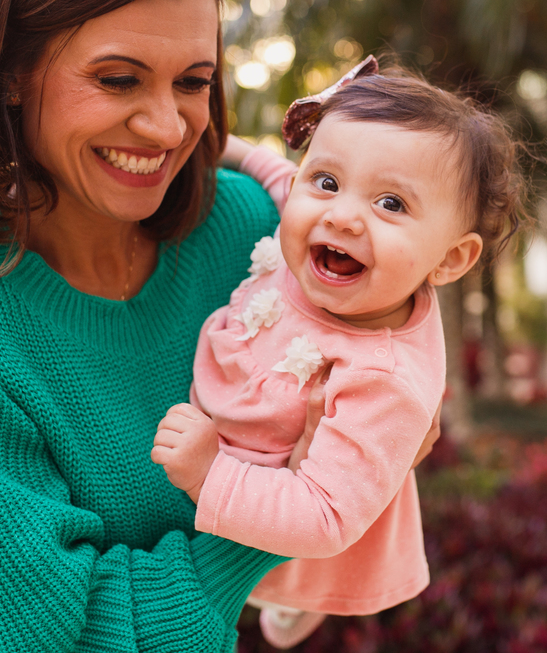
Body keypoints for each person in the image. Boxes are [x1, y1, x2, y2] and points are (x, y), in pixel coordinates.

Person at [0, 0, 436, 653]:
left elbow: (392, 345)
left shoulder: (252, 228)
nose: (166, 126)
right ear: (9, 72)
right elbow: (49, 641)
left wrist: (394, 426)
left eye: (194, 82)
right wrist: (290, 505)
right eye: (117, 79)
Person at [151, 58, 523, 648]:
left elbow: (323, 517)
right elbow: (279, 175)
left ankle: (301, 606)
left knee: (294, 583)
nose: (343, 214)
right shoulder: (308, 229)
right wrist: (227, 150)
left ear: (450, 259)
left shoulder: (384, 377)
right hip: (231, 429)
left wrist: (207, 473)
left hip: (289, 519)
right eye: (327, 181)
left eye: (392, 204)